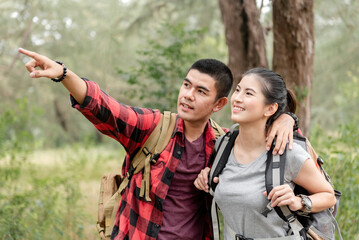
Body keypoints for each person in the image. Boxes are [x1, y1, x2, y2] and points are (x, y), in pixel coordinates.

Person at [19, 48, 296, 240]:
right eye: (186, 85)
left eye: (201, 91)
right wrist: (63, 74)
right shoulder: (153, 128)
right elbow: (107, 108)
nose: (188, 95)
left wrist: (287, 120)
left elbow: (272, 145)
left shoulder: (225, 145)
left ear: (219, 104)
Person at [194, 68, 336, 239]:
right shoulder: (223, 145)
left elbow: (329, 196)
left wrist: (297, 201)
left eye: (249, 93)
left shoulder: (286, 152)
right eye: (238, 90)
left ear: (270, 109)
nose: (237, 98)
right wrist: (206, 177)